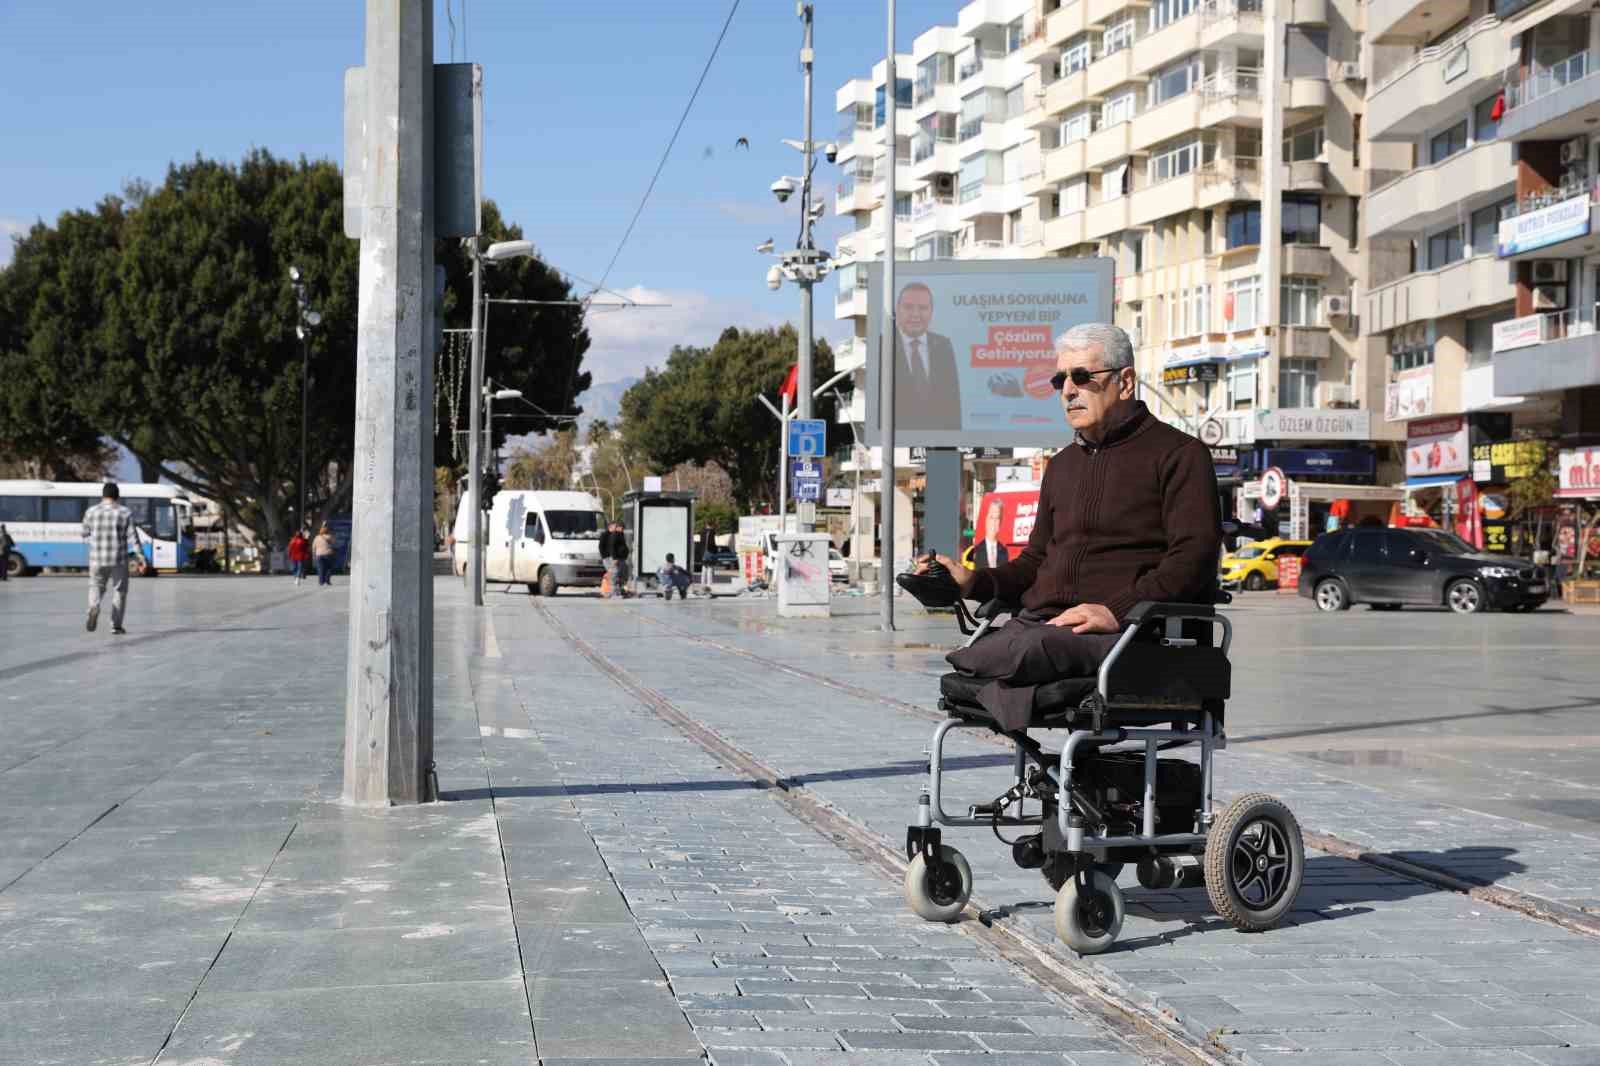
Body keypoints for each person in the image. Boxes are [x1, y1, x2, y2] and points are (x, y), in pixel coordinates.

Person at [916, 322, 1220, 729]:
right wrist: (973, 582)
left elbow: (1192, 559)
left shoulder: (1180, 454)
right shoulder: (1062, 466)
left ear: (1125, 382)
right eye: (1060, 380)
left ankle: (1012, 683)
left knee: (1020, 651)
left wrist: (1116, 611)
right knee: (983, 652)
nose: (1068, 390)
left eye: (1081, 376)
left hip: (1128, 633)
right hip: (1046, 624)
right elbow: (1035, 563)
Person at [894, 283, 962, 431]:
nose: (915, 314)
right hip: (897, 440)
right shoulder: (884, 345)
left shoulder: (943, 345)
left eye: (923, 308)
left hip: (940, 439)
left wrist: (953, 439)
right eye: (908, 307)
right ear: (897, 310)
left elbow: (953, 402)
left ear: (931, 312)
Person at [81, 482, 143, 635]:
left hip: (96, 558)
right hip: (118, 559)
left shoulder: (91, 512)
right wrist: (140, 555)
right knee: (119, 591)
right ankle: (116, 626)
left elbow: (84, 534)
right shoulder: (125, 512)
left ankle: (93, 607)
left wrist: (95, 543)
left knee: (96, 585)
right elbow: (132, 537)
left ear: (103, 496)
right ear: (117, 496)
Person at [968, 501, 1010, 572]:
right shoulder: (975, 551)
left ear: (1000, 522)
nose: (994, 522)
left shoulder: (1003, 551)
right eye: (991, 517)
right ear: (985, 520)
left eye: (997, 518)